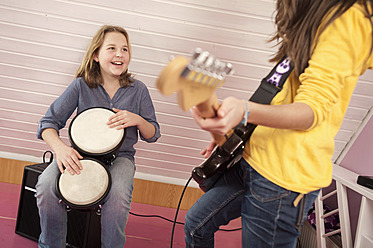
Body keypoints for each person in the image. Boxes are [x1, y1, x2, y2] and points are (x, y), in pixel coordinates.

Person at [184, 1, 373, 247]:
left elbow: (310, 111)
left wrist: (245, 110)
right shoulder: (313, 19)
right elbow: (278, 94)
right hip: (253, 160)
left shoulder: (347, 18)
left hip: (282, 180)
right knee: (196, 226)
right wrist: (233, 126)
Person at [35, 25, 160, 248]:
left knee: (119, 198)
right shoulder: (81, 85)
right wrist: (61, 149)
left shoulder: (138, 90)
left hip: (121, 158)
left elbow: (153, 134)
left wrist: (138, 120)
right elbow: (48, 124)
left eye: (124, 49)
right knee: (45, 187)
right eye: (111, 48)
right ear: (96, 55)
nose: (119, 54)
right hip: (80, 155)